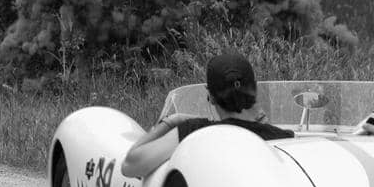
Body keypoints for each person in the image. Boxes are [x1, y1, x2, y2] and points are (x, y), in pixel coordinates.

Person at [121, 51, 292, 178]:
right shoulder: (282, 136)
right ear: (255, 89)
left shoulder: (195, 132)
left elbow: (130, 165)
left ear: (210, 95)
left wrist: (172, 121)